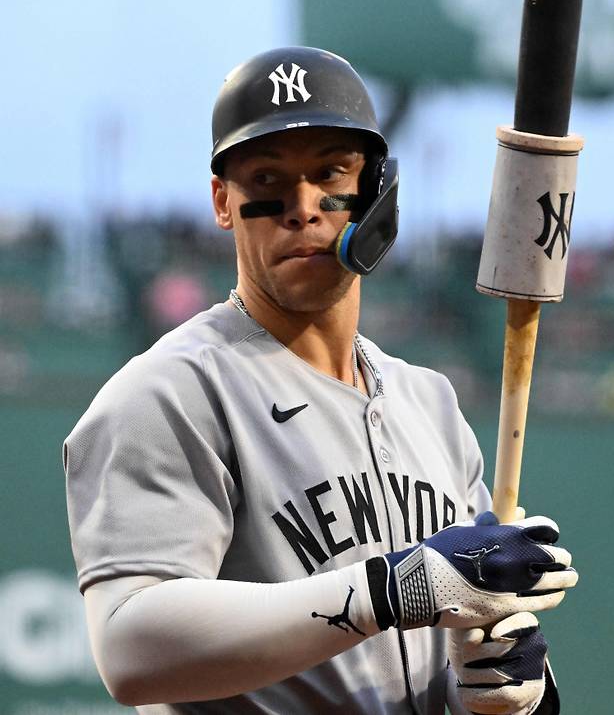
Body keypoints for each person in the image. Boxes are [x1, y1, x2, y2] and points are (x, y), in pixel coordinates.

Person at [64, 46, 578, 715]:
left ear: (376, 194)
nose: (302, 207)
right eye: (267, 180)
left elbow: (469, 649)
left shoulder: (431, 403)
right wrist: (391, 592)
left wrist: (500, 689)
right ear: (223, 201)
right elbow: (130, 649)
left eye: (331, 172)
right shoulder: (168, 393)